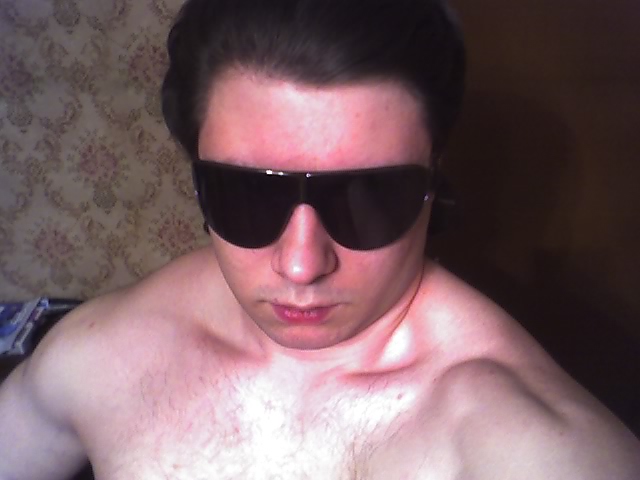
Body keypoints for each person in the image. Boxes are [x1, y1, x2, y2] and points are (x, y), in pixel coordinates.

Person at [1, 0, 639, 478]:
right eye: (247, 195)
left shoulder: (532, 444)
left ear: (432, 185)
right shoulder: (101, 356)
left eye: (368, 198)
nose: (302, 265)